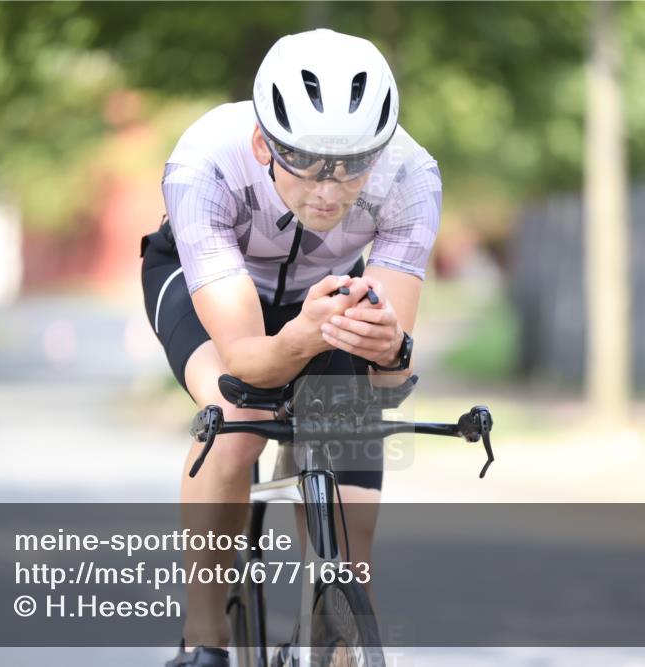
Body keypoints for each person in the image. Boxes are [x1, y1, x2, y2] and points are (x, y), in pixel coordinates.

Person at [141, 28, 441, 667]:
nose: (329, 191)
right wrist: (298, 340)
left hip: (325, 294)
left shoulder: (412, 177)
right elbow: (247, 357)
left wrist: (389, 352)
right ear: (262, 143)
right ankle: (204, 639)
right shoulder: (205, 162)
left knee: (346, 426)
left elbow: (393, 379)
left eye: (354, 165)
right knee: (238, 418)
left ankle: (334, 631)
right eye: (306, 163)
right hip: (210, 292)